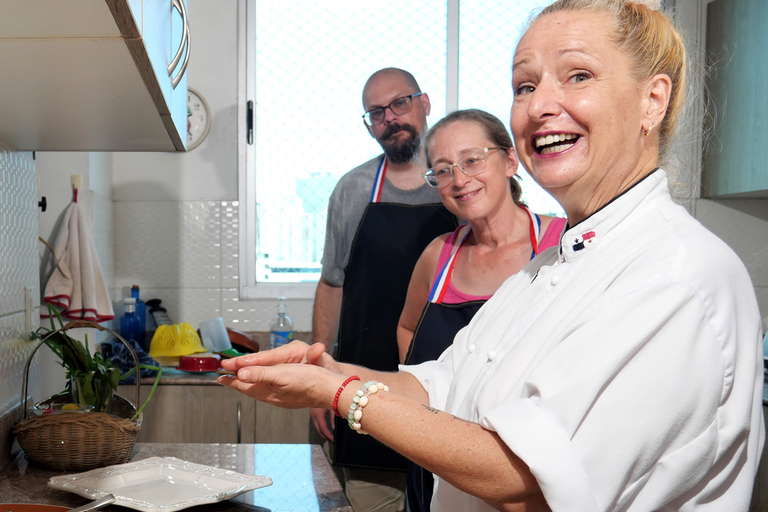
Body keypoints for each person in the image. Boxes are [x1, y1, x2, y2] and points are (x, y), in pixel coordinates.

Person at [220, 1, 765, 510]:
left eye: (578, 75)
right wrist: (330, 367)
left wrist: (340, 392)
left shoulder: (675, 275)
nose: (539, 106)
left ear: (652, 99)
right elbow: (439, 383)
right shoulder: (550, 267)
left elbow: (524, 477)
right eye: (525, 85)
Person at [396, 109, 566, 511]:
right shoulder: (438, 257)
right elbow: (407, 328)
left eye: (472, 160)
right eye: (442, 170)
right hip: (436, 458)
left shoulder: (563, 244)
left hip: (525, 473)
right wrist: (427, 401)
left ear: (510, 161)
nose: (459, 180)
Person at [310, 67, 457, 511]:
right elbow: (331, 285)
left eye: (400, 103)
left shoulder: (458, 187)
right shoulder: (353, 190)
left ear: (424, 103)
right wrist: (319, 375)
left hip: (445, 399)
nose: (390, 118)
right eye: (376, 112)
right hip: (363, 391)